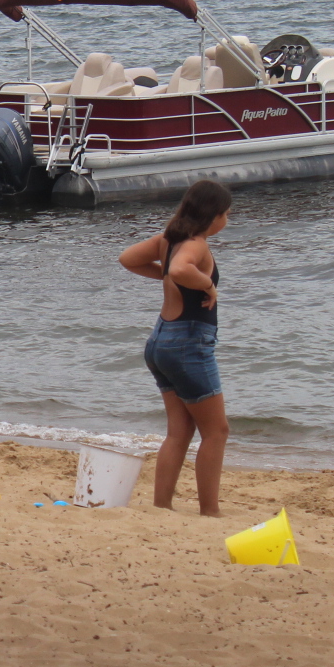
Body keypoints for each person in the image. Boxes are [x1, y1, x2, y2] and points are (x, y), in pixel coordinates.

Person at [119, 179, 231, 516]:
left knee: (179, 431)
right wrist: (207, 285)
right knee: (217, 431)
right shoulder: (196, 245)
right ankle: (210, 512)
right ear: (212, 216)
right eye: (226, 214)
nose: (227, 221)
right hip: (187, 345)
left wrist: (165, 274)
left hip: (160, 343)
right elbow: (183, 269)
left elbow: (128, 258)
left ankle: (162, 506)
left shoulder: (168, 241)